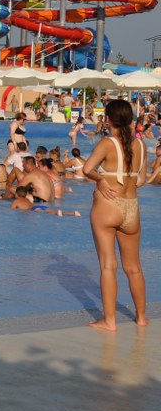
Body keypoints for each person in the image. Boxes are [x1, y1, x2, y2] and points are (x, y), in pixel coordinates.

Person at [82, 99, 149, 331]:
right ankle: (141, 317)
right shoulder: (141, 145)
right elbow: (141, 180)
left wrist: (101, 181)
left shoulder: (107, 143)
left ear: (108, 119)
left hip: (108, 207)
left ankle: (109, 321)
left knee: (108, 266)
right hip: (132, 208)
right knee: (134, 267)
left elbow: (87, 169)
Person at [11, 185, 81, 217]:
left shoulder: (16, 201)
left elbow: (11, 209)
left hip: (34, 210)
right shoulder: (27, 200)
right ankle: (73, 213)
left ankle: (57, 212)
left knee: (50, 212)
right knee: (51, 211)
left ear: (16, 194)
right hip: (37, 207)